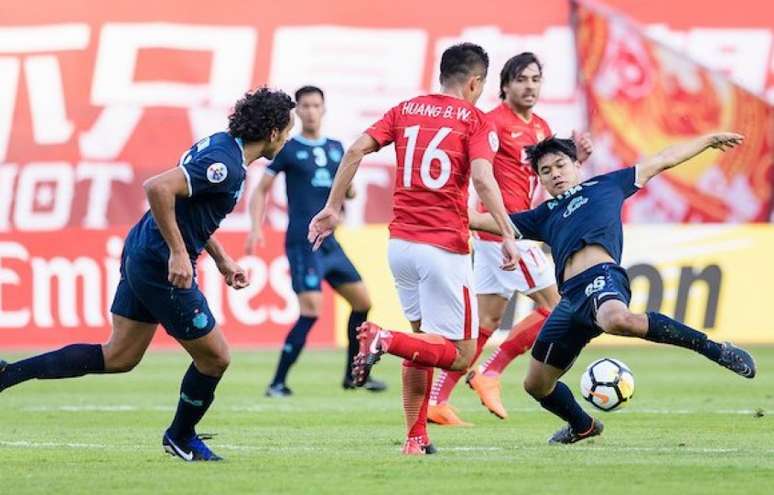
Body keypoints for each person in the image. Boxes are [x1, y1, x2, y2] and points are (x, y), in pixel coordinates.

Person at [0, 88, 296, 461]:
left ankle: (9, 374)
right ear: (272, 132)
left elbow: (191, 212)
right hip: (159, 262)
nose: (287, 139)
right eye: (287, 131)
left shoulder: (223, 147)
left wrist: (221, 259)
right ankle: (181, 436)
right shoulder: (226, 163)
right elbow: (157, 187)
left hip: (143, 250)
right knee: (215, 358)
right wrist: (177, 253)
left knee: (120, 355)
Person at [468, 133, 756, 444]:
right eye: (546, 171)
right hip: (570, 301)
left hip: (601, 277)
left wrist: (707, 140)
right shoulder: (542, 215)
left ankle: (716, 350)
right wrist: (421, 202)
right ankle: (583, 426)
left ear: (577, 164)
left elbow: (663, 159)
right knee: (536, 385)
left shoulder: (606, 185)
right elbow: (480, 221)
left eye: (560, 165)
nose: (555, 174)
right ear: (540, 180)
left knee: (618, 319)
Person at [308, 42, 519, 455]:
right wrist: (507, 232)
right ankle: (382, 338)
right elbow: (481, 177)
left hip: (401, 246)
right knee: (460, 354)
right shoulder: (476, 120)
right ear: (475, 82)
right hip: (443, 248)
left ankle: (416, 438)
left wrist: (333, 207)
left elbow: (355, 150)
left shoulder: (405, 110)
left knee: (423, 345)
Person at [428, 52, 593, 426]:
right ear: (504, 85)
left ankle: (439, 400)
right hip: (505, 232)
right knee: (560, 305)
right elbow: (477, 173)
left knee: (487, 321)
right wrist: (502, 230)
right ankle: (490, 372)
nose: (529, 86)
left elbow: (550, 184)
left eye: (535, 79)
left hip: (514, 230)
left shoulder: (541, 127)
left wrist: (576, 158)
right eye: (521, 79)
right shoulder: (491, 123)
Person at [246, 85, 386, 396]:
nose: (310, 111)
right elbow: (260, 189)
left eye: (315, 105)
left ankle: (354, 376)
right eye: (305, 106)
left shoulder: (337, 148)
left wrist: (348, 193)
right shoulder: (289, 149)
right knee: (311, 310)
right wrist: (255, 226)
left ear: (323, 109)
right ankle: (277, 382)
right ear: (297, 111)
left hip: (331, 243)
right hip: (303, 242)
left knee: (363, 302)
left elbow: (346, 191)